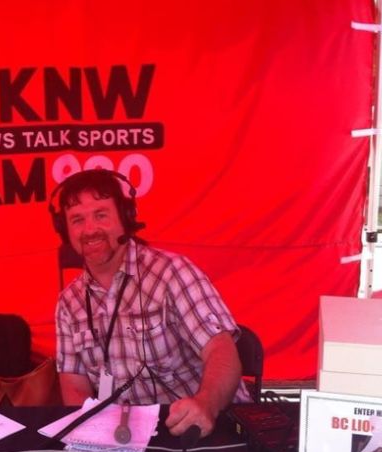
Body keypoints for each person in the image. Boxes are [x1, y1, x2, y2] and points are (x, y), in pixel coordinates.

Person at [50, 169, 251, 437]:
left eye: (101, 215)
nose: (89, 230)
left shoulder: (172, 272)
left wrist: (206, 403)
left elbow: (222, 352)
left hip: (205, 427)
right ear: (65, 231)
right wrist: (91, 436)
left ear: (125, 218)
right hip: (134, 439)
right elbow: (75, 386)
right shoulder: (69, 302)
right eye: (77, 220)